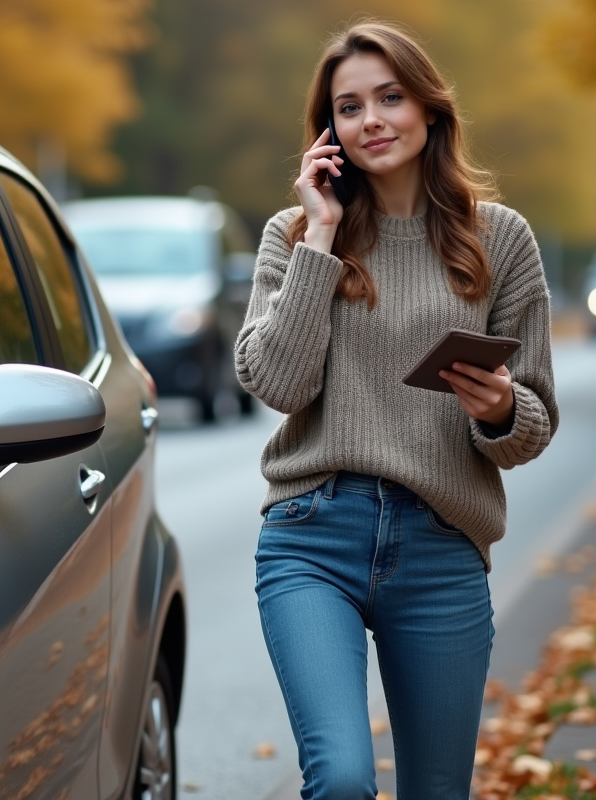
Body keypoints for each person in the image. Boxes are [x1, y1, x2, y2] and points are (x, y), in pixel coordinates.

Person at [234, 19, 559, 800]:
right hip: (314, 538)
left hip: (441, 545)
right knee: (341, 780)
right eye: (349, 107)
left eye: (390, 97)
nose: (371, 119)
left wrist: (499, 408)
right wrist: (321, 232)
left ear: (430, 110)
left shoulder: (500, 240)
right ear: (329, 131)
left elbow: (535, 422)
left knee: (437, 792)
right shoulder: (294, 235)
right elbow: (276, 384)